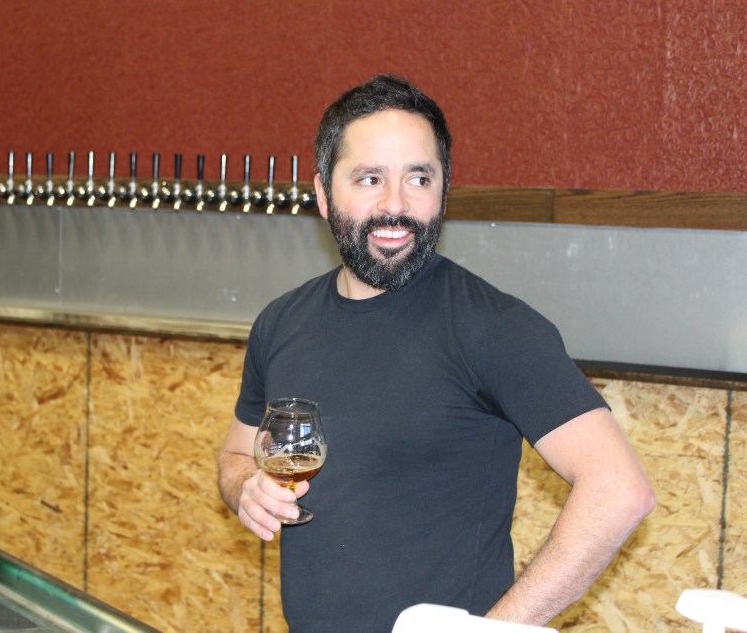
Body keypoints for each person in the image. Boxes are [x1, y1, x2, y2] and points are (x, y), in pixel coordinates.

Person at [216, 74, 655, 631]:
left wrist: (493, 630)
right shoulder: (281, 322)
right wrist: (246, 490)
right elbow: (234, 457)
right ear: (324, 196)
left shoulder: (494, 328)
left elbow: (620, 491)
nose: (395, 205)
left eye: (419, 178)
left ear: (443, 190)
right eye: (370, 178)